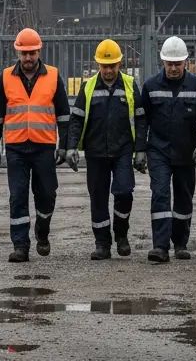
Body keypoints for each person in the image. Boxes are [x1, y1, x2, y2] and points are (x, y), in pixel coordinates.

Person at [0, 27, 71, 262]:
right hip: (16, 148)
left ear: (39, 51)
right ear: (17, 53)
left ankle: (42, 232)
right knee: (18, 196)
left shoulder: (53, 76)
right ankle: (20, 246)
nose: (28, 58)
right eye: (24, 53)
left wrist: (63, 146)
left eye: (32, 53)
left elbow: (64, 115)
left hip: (44, 147)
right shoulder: (6, 77)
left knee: (47, 194)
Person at [67, 38, 148, 260]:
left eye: (112, 66)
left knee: (124, 192)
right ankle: (102, 243)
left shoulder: (130, 85)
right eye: (105, 66)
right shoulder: (89, 87)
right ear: (98, 65)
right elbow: (77, 120)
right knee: (98, 198)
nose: (109, 70)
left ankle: (121, 235)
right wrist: (71, 147)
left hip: (122, 151)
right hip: (95, 153)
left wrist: (140, 149)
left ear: (120, 64)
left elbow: (141, 120)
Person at [137, 35, 196, 263]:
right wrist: (140, 150)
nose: (173, 68)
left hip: (186, 152)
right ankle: (160, 247)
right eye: (169, 64)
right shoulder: (150, 87)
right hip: (158, 151)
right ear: (163, 62)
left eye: (177, 64)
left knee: (184, 198)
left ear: (186, 62)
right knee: (160, 195)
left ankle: (180, 243)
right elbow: (142, 121)